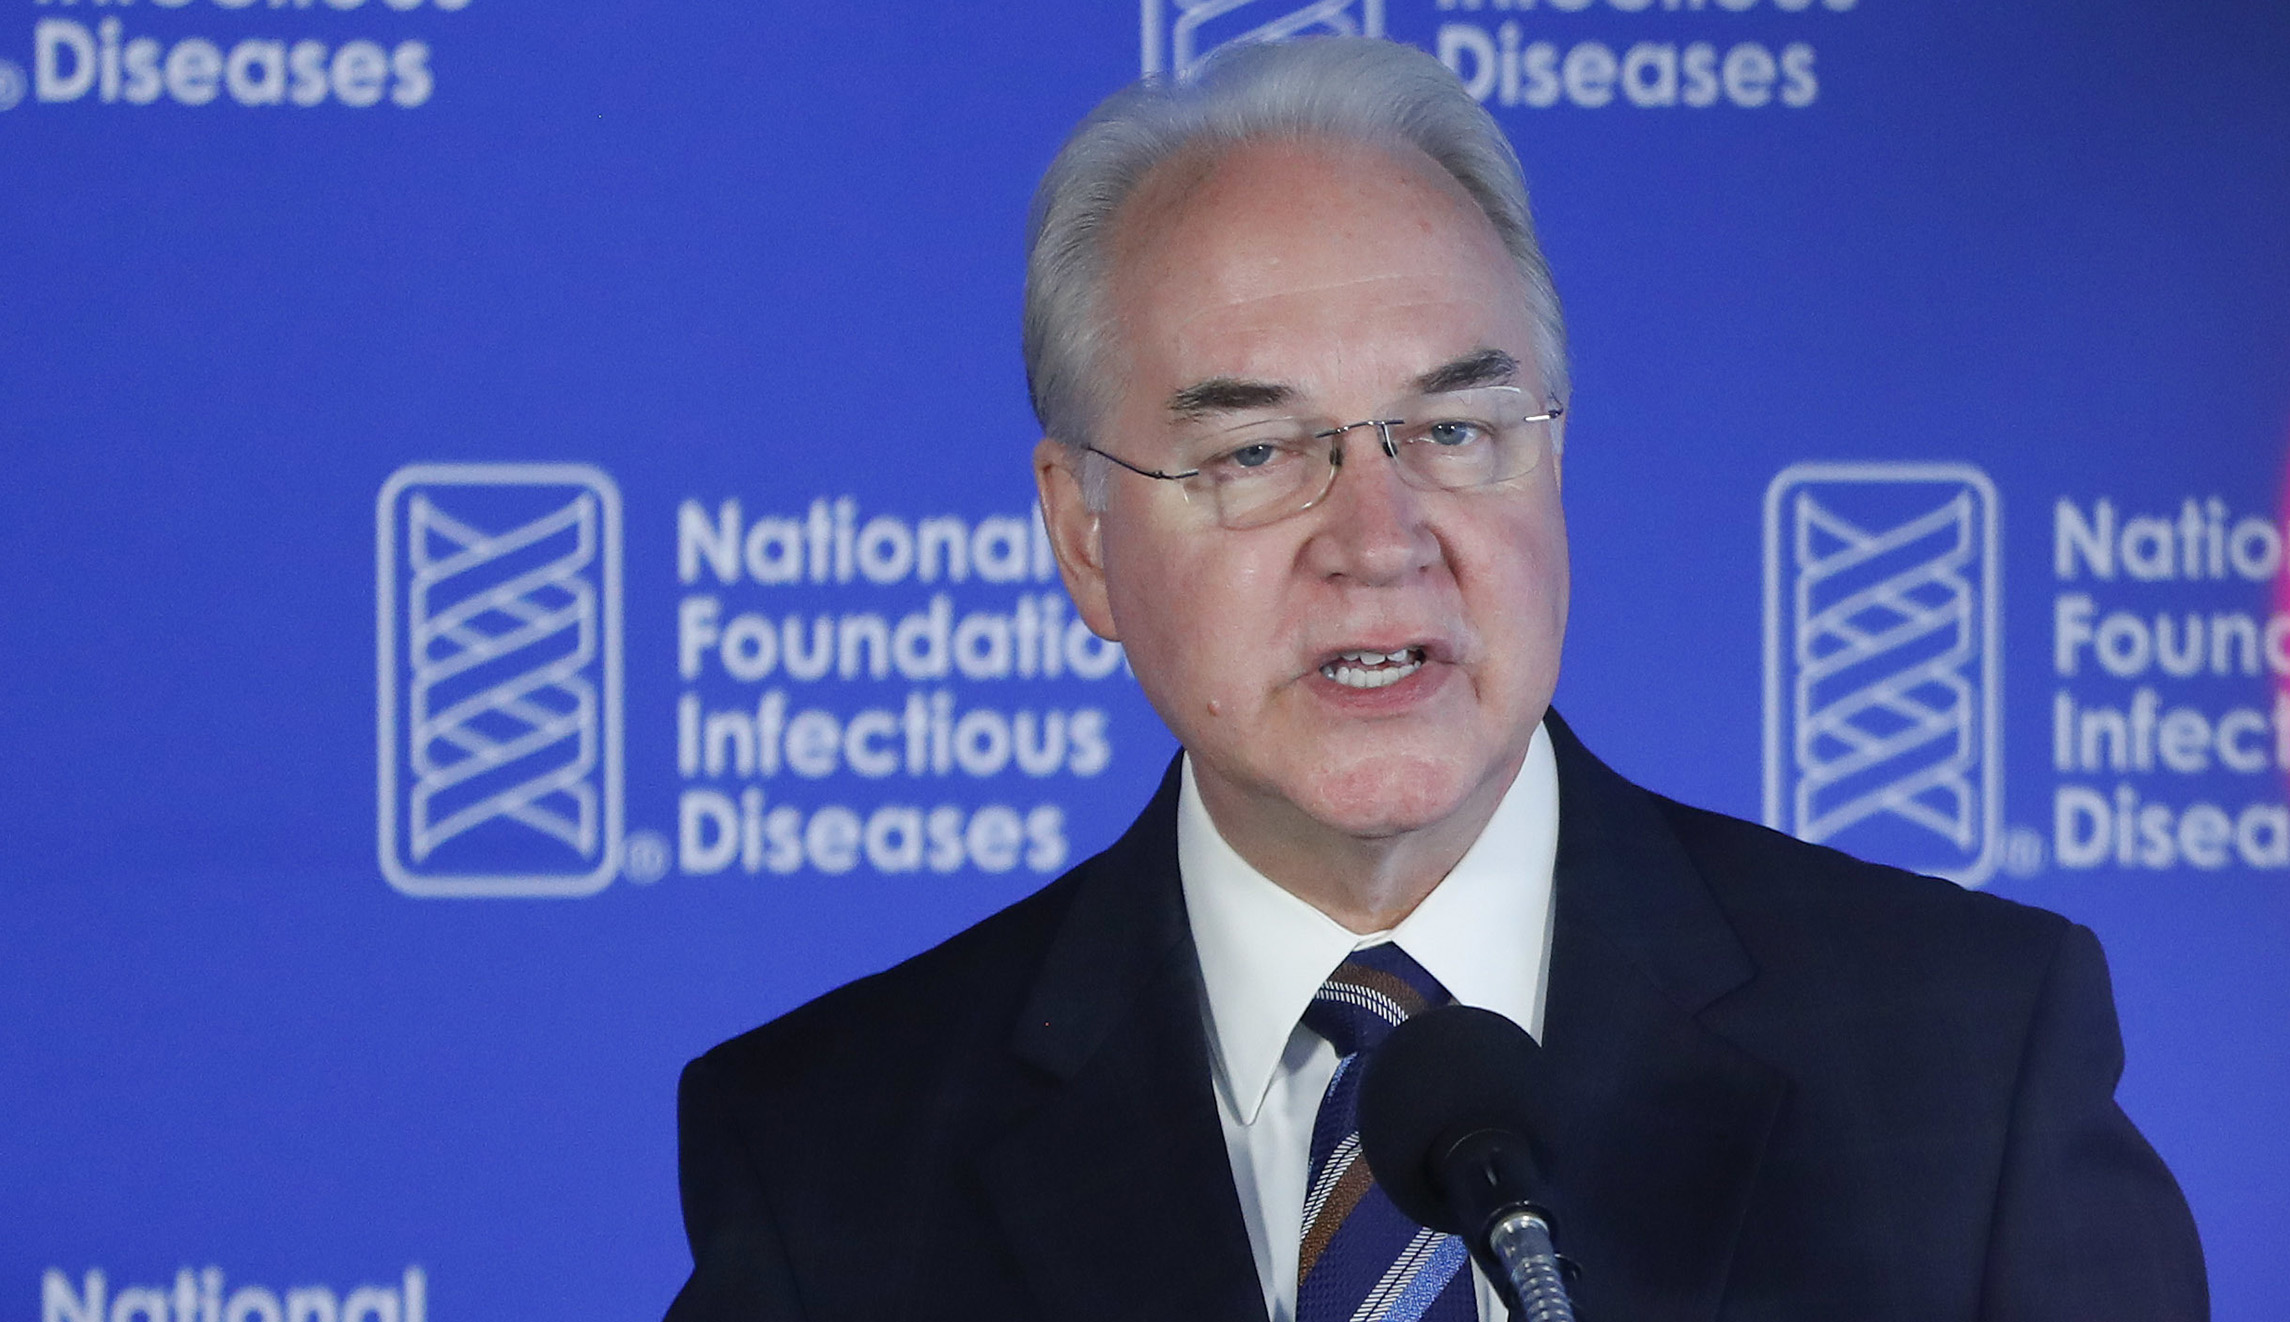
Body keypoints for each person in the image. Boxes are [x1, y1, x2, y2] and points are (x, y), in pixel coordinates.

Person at [665, 37, 2205, 1322]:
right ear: (1083, 537)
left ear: (1553, 458)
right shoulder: (828, 1155)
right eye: (1256, 453)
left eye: (1454, 431)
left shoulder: (1964, 1062)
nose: (1378, 539)